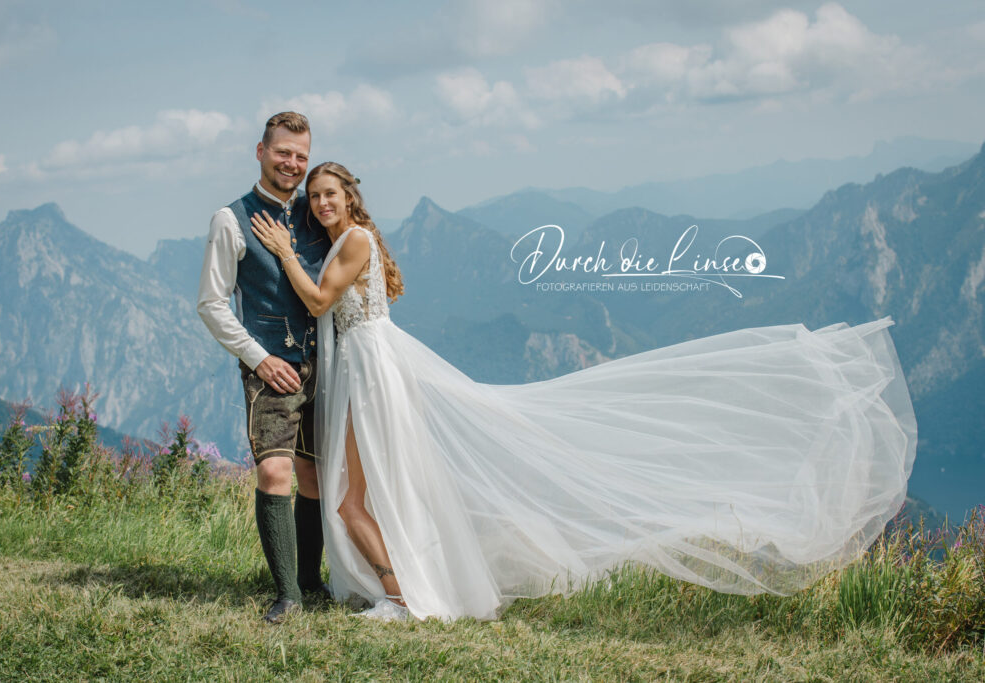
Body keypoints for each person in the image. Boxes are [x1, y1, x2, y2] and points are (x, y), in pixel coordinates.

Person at [249, 162, 918, 623]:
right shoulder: (346, 240)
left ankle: (403, 596)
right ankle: (404, 591)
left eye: (331, 193)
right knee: (369, 493)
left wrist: (282, 251)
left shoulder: (354, 240)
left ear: (351, 198)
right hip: (369, 371)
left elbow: (320, 299)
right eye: (316, 197)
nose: (322, 203)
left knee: (354, 497)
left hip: (372, 374)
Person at [197, 112, 331, 624]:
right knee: (275, 471)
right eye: (282, 153)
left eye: (301, 155)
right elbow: (212, 304)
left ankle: (310, 580)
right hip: (271, 366)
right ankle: (287, 595)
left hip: (326, 365)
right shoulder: (230, 219)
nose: (292, 163)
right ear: (260, 151)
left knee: (314, 474)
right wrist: (259, 358)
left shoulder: (317, 212)